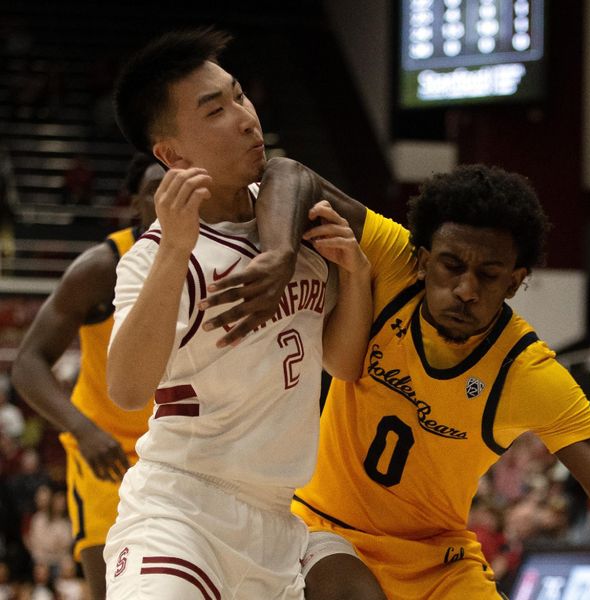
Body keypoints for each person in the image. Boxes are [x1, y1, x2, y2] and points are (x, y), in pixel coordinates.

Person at [202, 159, 590, 598]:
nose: (466, 288)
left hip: (438, 558)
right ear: (425, 259)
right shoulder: (392, 259)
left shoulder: (529, 373)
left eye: (489, 274)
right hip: (321, 529)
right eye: (451, 266)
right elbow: (288, 173)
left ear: (516, 281)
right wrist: (279, 253)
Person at [102, 28, 383, 599]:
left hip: (281, 518)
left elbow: (344, 364)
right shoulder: (155, 257)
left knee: (359, 591)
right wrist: (176, 249)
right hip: (181, 512)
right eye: (215, 111)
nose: (245, 118)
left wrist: (355, 276)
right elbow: (128, 389)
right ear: (172, 154)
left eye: (239, 96)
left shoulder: (293, 224)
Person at [11, 152, 163, 599]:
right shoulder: (102, 266)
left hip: (180, 446)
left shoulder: (218, 257)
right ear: (137, 202)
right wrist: (83, 429)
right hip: (108, 450)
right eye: (156, 188)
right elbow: (28, 363)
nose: (170, 195)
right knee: (111, 589)